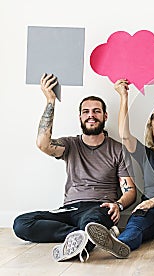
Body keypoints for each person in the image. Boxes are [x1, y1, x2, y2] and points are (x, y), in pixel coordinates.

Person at [13, 73, 136, 262]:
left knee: (91, 222)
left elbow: (130, 190)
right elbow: (42, 144)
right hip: (69, 209)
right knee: (21, 224)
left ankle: (87, 236)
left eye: (96, 111)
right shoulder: (70, 145)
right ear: (80, 117)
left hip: (99, 207)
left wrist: (118, 205)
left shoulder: (117, 149)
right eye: (86, 112)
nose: (91, 115)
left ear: (105, 116)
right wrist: (50, 100)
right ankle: (88, 236)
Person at [85, 79, 154, 257]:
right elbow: (125, 135)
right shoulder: (147, 156)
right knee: (135, 227)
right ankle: (118, 244)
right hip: (149, 211)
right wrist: (123, 96)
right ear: (152, 135)